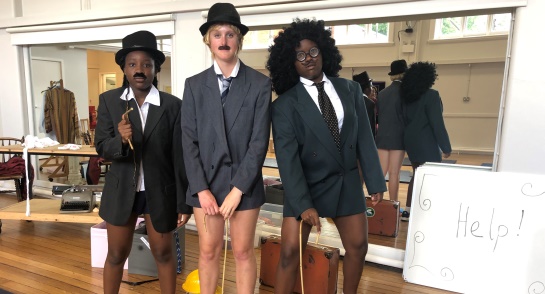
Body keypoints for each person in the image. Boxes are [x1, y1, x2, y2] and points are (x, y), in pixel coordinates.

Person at [267, 18, 386, 294]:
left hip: (346, 181)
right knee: (289, 252)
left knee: (358, 246)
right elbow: (287, 159)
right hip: (306, 185)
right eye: (299, 55)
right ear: (290, 62)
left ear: (324, 52)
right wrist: (302, 203)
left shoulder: (351, 90)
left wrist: (375, 180)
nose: (308, 59)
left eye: (313, 51)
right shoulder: (284, 106)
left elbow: (364, 137)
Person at [180, 3, 271, 294]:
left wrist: (238, 189)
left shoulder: (259, 84)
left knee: (243, 251)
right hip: (204, 184)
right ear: (208, 39)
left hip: (243, 185)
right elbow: (188, 141)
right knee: (208, 251)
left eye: (230, 34)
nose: (223, 40)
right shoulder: (194, 86)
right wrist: (201, 189)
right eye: (217, 33)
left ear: (239, 40)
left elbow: (259, 142)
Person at [94, 30, 192, 294]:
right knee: (116, 254)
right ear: (124, 68)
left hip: (159, 191)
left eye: (146, 64)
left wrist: (183, 202)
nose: (140, 70)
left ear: (155, 69)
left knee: (163, 252)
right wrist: (120, 141)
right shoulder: (109, 101)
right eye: (133, 64)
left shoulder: (173, 106)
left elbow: (180, 156)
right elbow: (102, 147)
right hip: (121, 190)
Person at [401, 61, 451, 221]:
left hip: (411, 141)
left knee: (416, 175)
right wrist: (446, 146)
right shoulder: (432, 95)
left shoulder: (408, 97)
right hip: (427, 142)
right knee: (430, 177)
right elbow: (437, 123)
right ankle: (427, 210)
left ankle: (408, 210)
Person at [375, 60, 408, 203]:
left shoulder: (382, 93)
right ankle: (393, 205)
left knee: (381, 173)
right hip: (398, 138)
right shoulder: (406, 93)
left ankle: (378, 203)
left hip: (382, 137)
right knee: (394, 173)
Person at [353, 71, 377, 138]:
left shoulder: (351, 101)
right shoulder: (369, 103)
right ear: (367, 89)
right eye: (371, 87)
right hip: (365, 139)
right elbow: (371, 127)